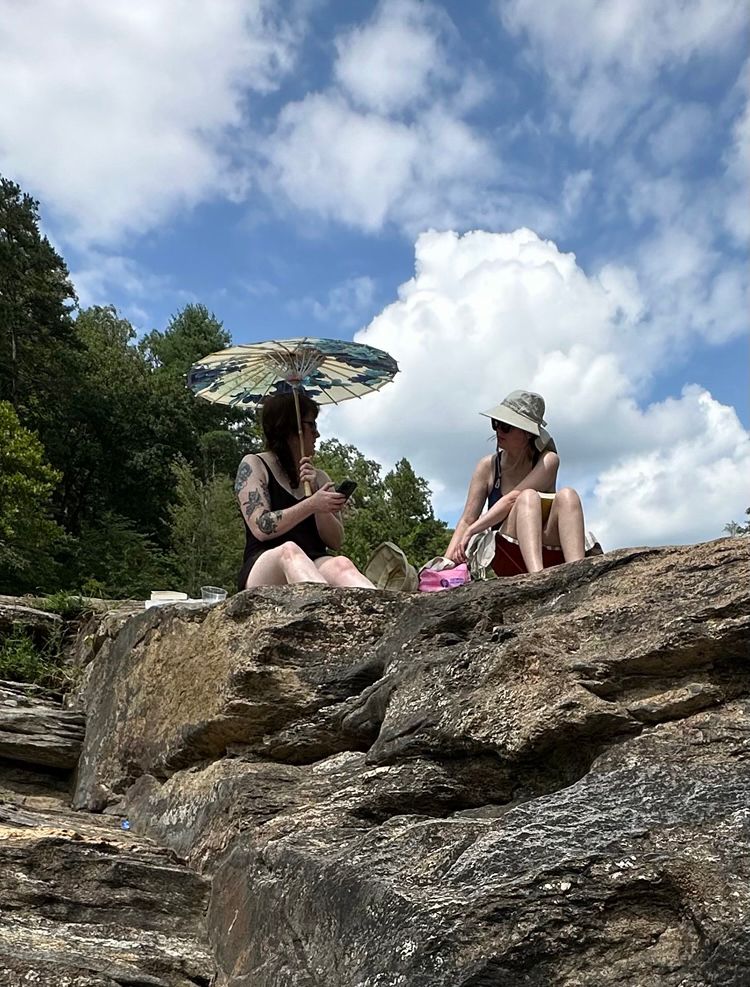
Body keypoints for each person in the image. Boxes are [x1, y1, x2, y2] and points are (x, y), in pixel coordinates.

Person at [235, 391, 375, 589]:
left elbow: (335, 542)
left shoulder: (320, 478)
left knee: (342, 564)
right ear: (291, 429)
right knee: (290, 553)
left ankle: (384, 616)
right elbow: (261, 527)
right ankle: (321, 613)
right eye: (312, 425)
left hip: (314, 561)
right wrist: (311, 504)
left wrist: (320, 505)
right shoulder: (254, 465)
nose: (317, 434)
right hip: (265, 564)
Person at [445, 390, 586, 575]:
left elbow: (512, 499)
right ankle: (538, 576)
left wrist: (472, 530)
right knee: (528, 497)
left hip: (551, 546)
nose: (498, 430)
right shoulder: (488, 466)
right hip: (508, 551)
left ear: (528, 433)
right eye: (495, 423)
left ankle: (580, 572)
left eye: (506, 426)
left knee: (567, 496)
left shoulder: (548, 461)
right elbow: (467, 519)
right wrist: (445, 564)